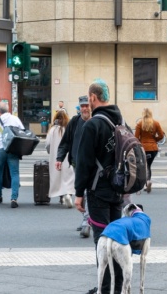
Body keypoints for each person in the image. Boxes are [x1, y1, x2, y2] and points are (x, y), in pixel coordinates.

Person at [74, 79, 124, 294]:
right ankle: (117, 286)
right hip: (118, 189)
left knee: (102, 243)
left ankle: (105, 289)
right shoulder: (120, 121)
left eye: (89, 98)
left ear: (93, 98)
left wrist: (78, 194)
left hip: (98, 191)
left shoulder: (92, 125)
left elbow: (83, 163)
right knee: (117, 242)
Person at [56, 95, 92, 238]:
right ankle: (86, 218)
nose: (84, 108)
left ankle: (87, 222)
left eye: (87, 106)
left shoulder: (97, 121)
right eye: (82, 106)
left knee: (89, 191)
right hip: (78, 163)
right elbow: (65, 142)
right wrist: (60, 158)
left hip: (94, 165)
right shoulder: (74, 122)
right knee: (81, 191)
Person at [0, 101, 24, 208]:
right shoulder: (15, 119)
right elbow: (22, 132)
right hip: (12, 149)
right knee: (15, 173)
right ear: (9, 109)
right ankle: (14, 198)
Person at [45, 110, 75, 208]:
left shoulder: (52, 130)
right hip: (67, 157)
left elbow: (47, 145)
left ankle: (61, 197)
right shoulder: (69, 129)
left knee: (58, 178)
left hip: (56, 158)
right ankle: (68, 195)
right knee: (69, 178)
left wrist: (51, 152)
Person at [134, 108, 164, 193]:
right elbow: (161, 135)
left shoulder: (140, 124)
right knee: (148, 165)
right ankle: (148, 181)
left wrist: (140, 143)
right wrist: (155, 140)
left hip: (143, 148)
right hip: (153, 148)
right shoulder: (156, 123)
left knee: (144, 166)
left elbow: (136, 138)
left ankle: (146, 183)